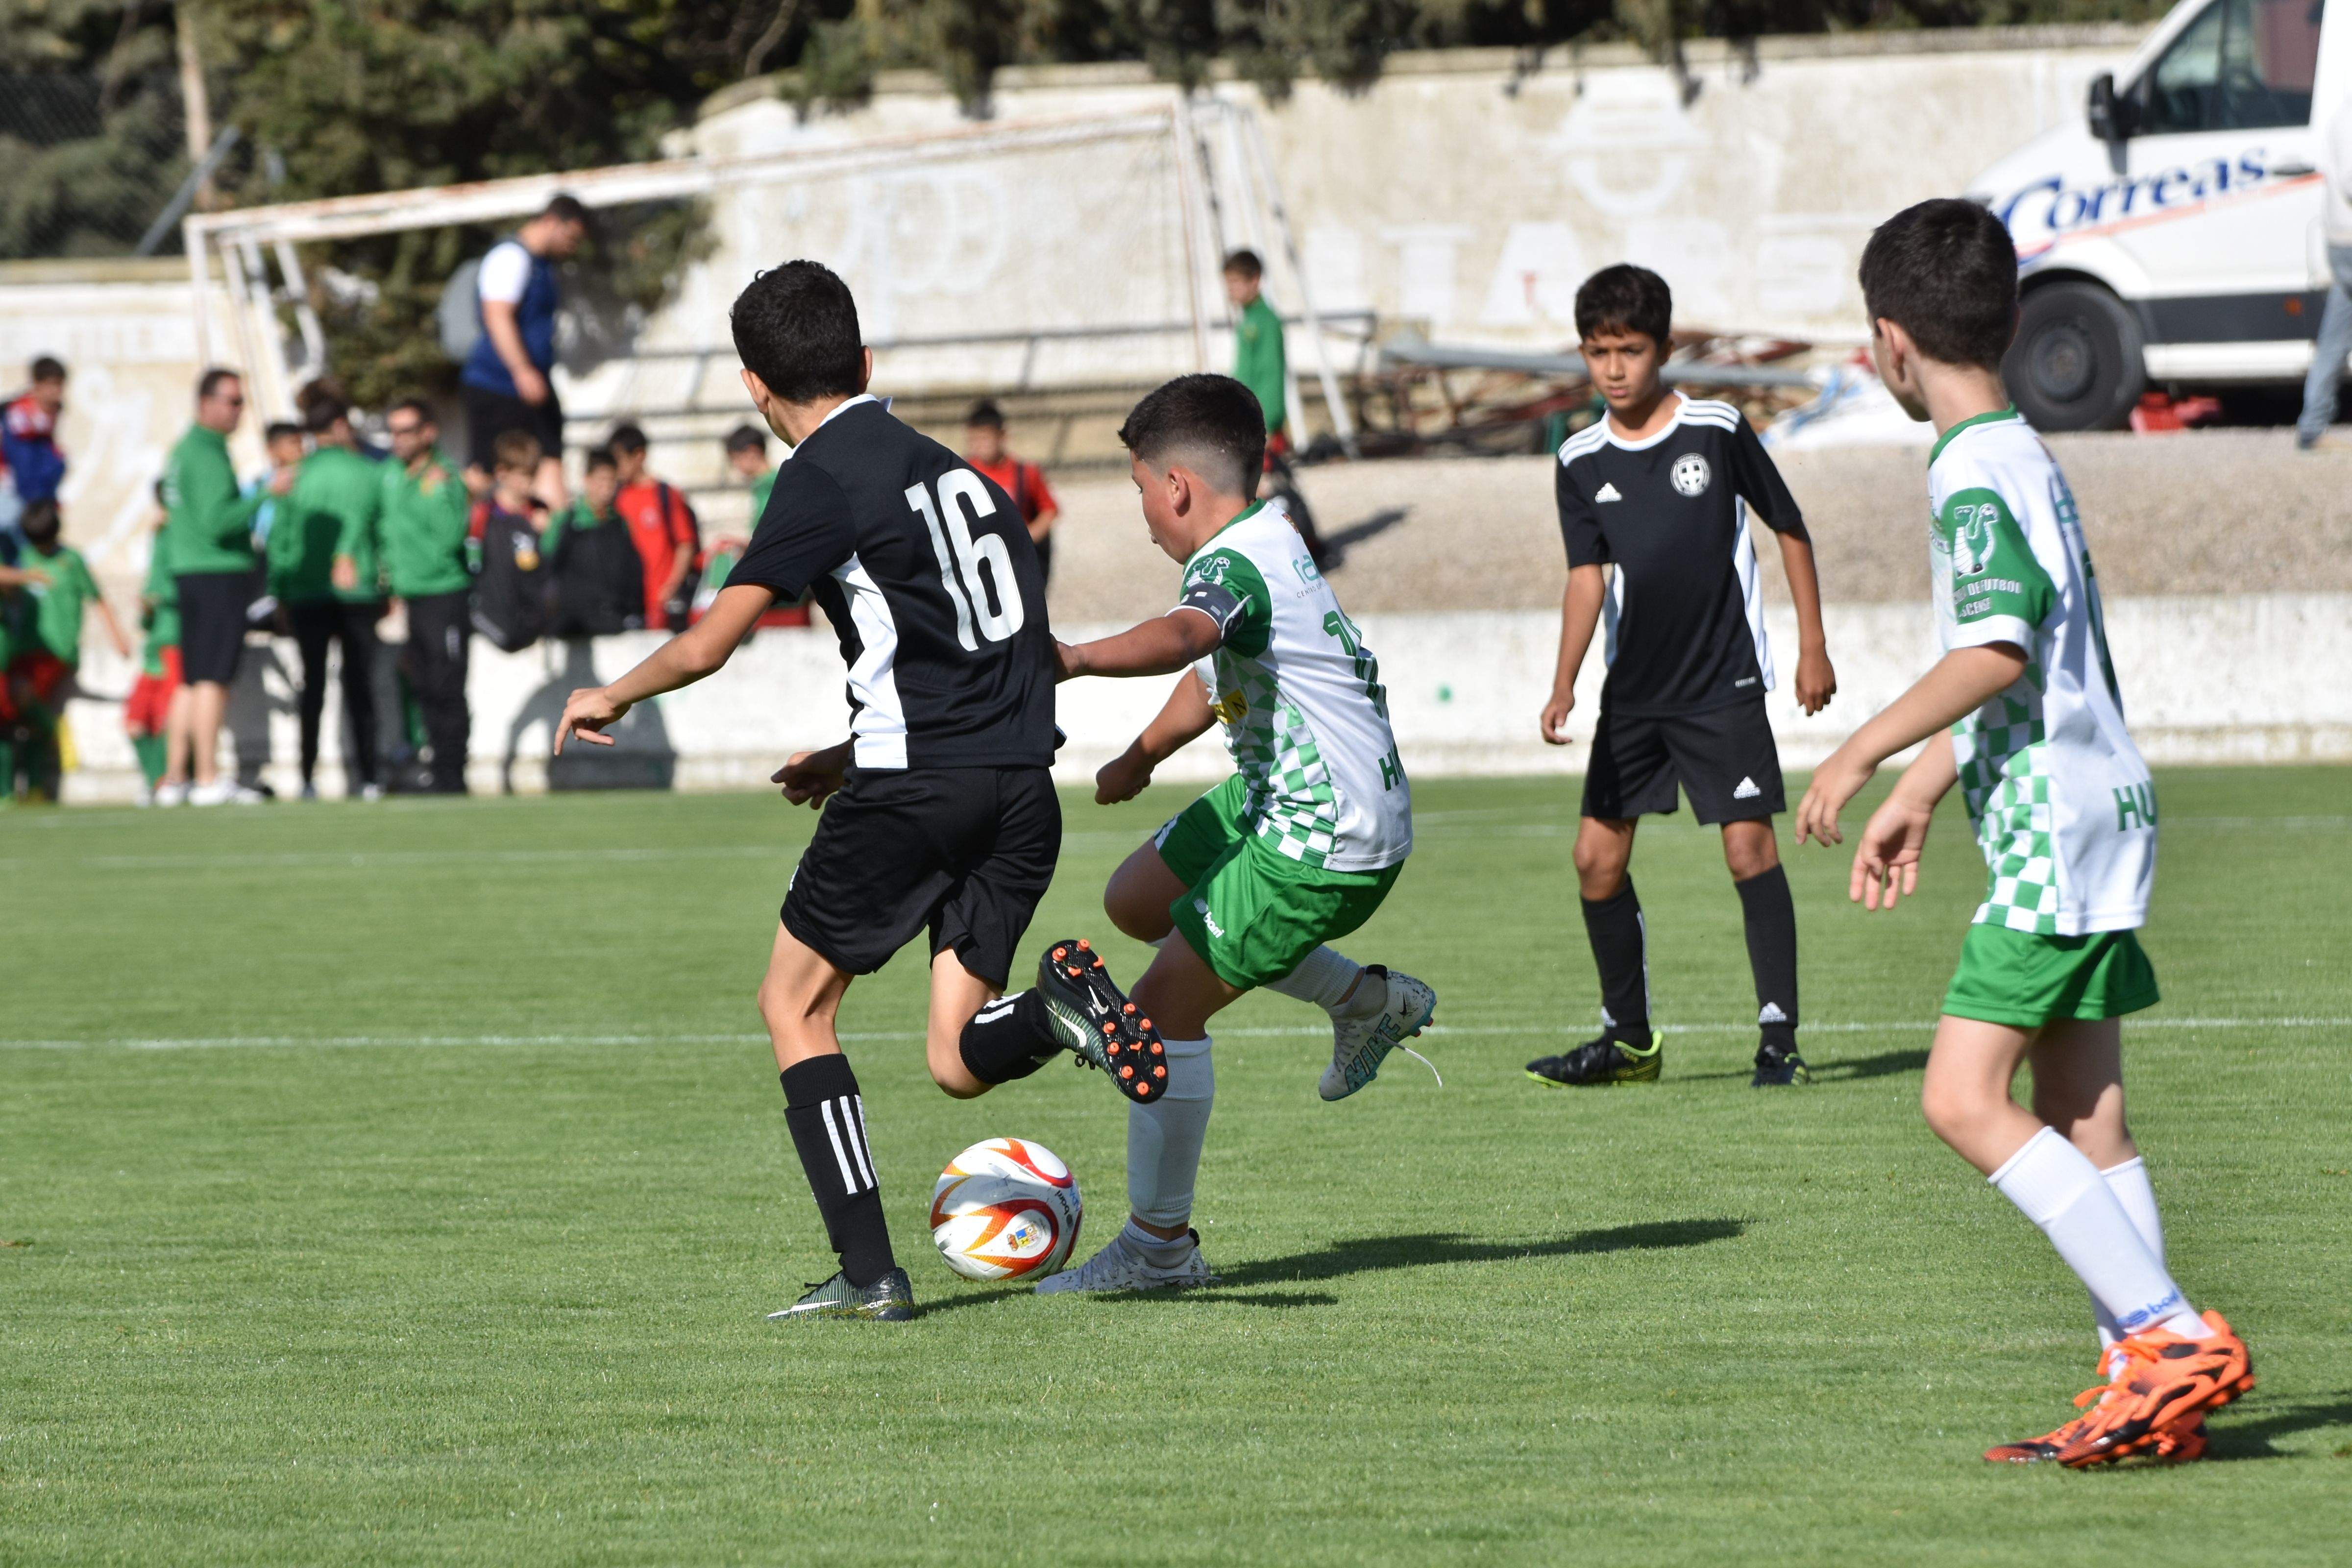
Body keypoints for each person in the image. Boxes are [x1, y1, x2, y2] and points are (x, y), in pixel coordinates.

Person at [553, 260, 1154, 1324]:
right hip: (1019, 784)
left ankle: (870, 1272)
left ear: (755, 386)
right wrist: (849, 745)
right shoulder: (965, 476)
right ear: (868, 362)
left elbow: (712, 641)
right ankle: (1060, 1009)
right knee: (959, 1059)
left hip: (918, 787)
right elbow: (985, 649)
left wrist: (612, 693)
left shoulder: (820, 477)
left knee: (794, 1003)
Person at [1795, 197, 2253, 1467]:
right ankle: (2147, 1380)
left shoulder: (1969, 471)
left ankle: (2165, 1333)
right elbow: (2034, 654)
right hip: (2106, 808)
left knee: (1959, 1097)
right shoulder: (2021, 447)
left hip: (2054, 827)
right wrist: (1927, 788)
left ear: (1892, 342)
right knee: (2083, 1112)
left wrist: (1862, 747)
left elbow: (1992, 650)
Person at [1039, 373, 1435, 1294]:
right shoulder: (1263, 540)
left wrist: (1075, 658)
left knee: (1157, 1019)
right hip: (1284, 798)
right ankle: (1365, 1001)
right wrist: (1140, 757)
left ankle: (1159, 1249)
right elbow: (1215, 667)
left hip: (1322, 835)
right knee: (1136, 900)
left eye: (1140, 490)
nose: (1143, 516)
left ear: (1175, 485)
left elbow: (1186, 636)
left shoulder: (1229, 566)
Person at [1524, 264, 1836, 1091]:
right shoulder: (1581, 457)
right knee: (1595, 860)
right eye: (1599, 352)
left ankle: (1778, 1040)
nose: (1615, 368)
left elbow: (1790, 527)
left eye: (1631, 350)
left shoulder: (1716, 428)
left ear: (1663, 349)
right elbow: (1585, 575)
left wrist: (1812, 645)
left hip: (1721, 684)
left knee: (1747, 850)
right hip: (1634, 696)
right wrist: (1565, 684)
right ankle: (1628, 1042)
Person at [158, 368, 291, 808]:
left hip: (192, 572)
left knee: (192, 679)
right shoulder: (206, 453)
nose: (238, 411)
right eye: (231, 402)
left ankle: (176, 778)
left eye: (241, 402)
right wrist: (266, 493)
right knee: (212, 678)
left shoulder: (186, 450)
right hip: (216, 573)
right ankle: (208, 778)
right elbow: (218, 521)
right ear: (206, 403)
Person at [271, 393, 385, 800]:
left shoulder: (297, 476)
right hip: (358, 590)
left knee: (313, 685)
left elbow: (281, 540)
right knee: (360, 685)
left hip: (306, 590)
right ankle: (369, 777)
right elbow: (379, 528)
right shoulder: (367, 471)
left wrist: (280, 593)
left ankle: (306, 777)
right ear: (341, 425)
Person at [461, 194, 588, 509]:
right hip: (498, 385)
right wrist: (522, 370)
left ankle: (554, 547)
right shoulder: (510, 257)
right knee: (484, 472)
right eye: (570, 237)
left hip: (533, 385)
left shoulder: (540, 265)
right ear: (551, 222)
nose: (572, 247)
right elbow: (497, 315)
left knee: (549, 459)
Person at [0, 499, 129, 800]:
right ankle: (28, 783)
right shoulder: (24, 558)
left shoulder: (72, 561)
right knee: (13, 712)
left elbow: (97, 599)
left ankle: (51, 737)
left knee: (20, 697)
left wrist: (118, 638)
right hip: (24, 649)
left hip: (57, 651)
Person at [379, 399, 475, 795]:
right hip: (411, 598)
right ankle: (436, 768)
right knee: (423, 686)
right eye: (394, 431)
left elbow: (452, 536)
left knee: (447, 685)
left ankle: (452, 775)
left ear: (428, 433)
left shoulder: (443, 478)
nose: (398, 440)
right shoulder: (390, 476)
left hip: (444, 594)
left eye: (406, 431)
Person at [1223, 250, 1329, 566]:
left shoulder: (1265, 322)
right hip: (1246, 421)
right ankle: (1288, 552)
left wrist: (1265, 424)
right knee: (1263, 488)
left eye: (1237, 282)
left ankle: (1309, 548)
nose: (1231, 290)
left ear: (1255, 280)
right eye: (1228, 283)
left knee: (1272, 491)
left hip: (1261, 423)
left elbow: (1269, 376)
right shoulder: (1249, 320)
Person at [706, 424, 810, 628]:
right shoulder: (763, 486)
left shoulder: (773, 484)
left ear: (752, 452)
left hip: (783, 589)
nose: (736, 467)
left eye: (735, 460)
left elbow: (777, 538)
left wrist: (742, 546)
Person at [2298, 95, 2352, 451]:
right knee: (2336, 336)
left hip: (2341, 241)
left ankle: (2312, 427)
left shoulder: (2343, 111)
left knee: (2336, 335)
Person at [123, 485, 184, 803]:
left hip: (176, 641)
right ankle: (154, 780)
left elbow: (189, 590)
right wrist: (146, 610)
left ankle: (167, 781)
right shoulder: (160, 535)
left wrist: (161, 599)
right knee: (134, 721)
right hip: (155, 645)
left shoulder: (185, 535)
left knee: (166, 718)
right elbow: (154, 585)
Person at [608, 423, 700, 631]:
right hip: (630, 603)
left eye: (620, 460)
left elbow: (686, 544)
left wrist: (670, 588)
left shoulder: (666, 495)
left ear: (639, 456)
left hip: (662, 603)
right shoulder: (617, 498)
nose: (616, 467)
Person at [544, 446, 644, 637]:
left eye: (611, 481)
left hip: (612, 625)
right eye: (601, 480)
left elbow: (632, 573)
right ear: (587, 480)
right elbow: (546, 569)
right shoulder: (566, 522)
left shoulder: (620, 524)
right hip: (572, 629)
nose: (606, 488)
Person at [961, 400, 1060, 586]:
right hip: (978, 566)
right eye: (974, 439)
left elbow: (1049, 510)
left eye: (985, 439)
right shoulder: (961, 474)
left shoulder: (1025, 473)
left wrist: (1027, 538)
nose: (979, 446)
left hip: (1017, 564)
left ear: (1002, 436)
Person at [0, 356, 69, 544]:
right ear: (37, 385)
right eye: (52, 385)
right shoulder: (20, 419)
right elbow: (25, 467)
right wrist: (40, 509)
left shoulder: (49, 414)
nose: (57, 392)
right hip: (19, 501)